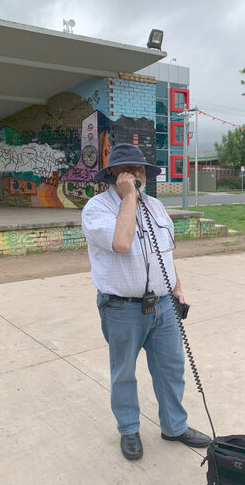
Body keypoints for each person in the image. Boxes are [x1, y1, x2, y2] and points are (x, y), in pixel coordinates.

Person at [82, 143, 211, 460]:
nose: (137, 175)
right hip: (122, 308)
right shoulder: (97, 209)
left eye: (140, 170)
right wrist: (128, 197)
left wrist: (177, 288)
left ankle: (174, 426)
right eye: (129, 170)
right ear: (115, 174)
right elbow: (122, 242)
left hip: (164, 305)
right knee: (123, 372)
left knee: (171, 368)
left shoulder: (155, 205)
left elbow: (164, 252)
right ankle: (128, 429)